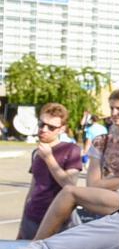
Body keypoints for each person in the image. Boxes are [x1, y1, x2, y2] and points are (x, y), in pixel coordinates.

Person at [34, 88, 119, 239]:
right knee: (69, 192)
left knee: (69, 191)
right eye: (111, 108)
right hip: (106, 203)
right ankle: (37, 245)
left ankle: (36, 245)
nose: (113, 113)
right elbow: (93, 184)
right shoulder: (101, 141)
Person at [18, 103, 83, 240]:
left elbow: (69, 185)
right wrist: (22, 226)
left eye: (51, 127)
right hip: (32, 218)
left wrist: (49, 158)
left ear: (61, 129)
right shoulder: (37, 152)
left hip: (59, 220)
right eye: (42, 124)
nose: (44, 129)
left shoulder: (71, 150)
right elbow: (33, 188)